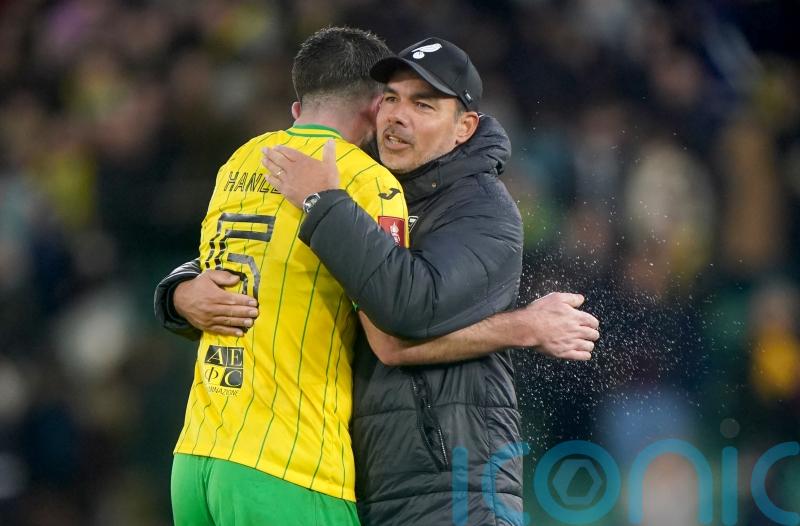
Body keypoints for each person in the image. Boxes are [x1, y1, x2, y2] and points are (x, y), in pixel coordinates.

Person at [157, 36, 600, 525]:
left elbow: (404, 318)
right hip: (363, 481)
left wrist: (325, 204)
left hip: (452, 487)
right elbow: (255, 258)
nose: (398, 116)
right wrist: (179, 293)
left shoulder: (482, 209)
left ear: (464, 127)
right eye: (391, 98)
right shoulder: (358, 186)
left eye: (424, 105)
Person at [162, 26, 412, 526]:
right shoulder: (367, 181)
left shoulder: (240, 161)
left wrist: (176, 294)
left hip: (197, 459)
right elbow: (392, 329)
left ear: (300, 104)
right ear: (374, 106)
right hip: (291, 465)